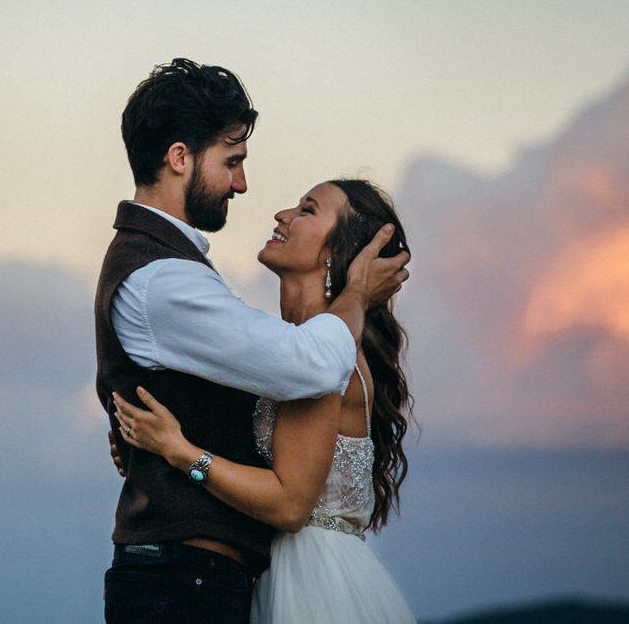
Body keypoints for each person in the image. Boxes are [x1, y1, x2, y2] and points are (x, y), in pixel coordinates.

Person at [96, 60, 409, 623]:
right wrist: (356, 296)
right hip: (192, 577)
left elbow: (290, 493)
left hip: (289, 585)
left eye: (307, 209)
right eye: (232, 161)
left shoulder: (321, 351)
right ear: (179, 158)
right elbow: (308, 365)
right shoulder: (164, 277)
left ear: (337, 253)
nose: (247, 187)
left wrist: (177, 450)